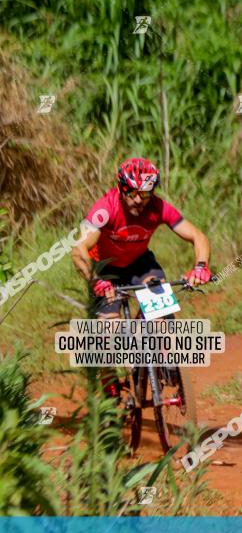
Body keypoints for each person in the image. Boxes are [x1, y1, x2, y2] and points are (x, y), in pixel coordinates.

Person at [71, 157, 212, 395]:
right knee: (108, 333)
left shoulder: (158, 207)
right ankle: (110, 384)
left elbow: (197, 236)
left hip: (140, 264)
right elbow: (78, 250)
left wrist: (201, 266)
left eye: (145, 194)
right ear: (121, 189)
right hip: (105, 270)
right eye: (133, 194)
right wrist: (95, 279)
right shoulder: (105, 209)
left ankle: (166, 358)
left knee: (161, 311)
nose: (139, 200)